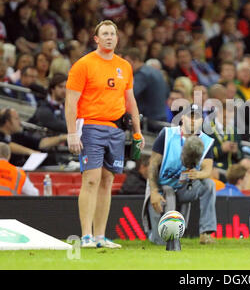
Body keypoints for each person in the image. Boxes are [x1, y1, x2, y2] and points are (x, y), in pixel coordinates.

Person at [65, 20, 144, 249]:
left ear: (117, 39)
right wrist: (72, 133)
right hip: (90, 125)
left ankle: (100, 236)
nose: (109, 37)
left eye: (112, 34)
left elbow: (130, 100)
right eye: (105, 34)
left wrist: (137, 131)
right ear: (96, 39)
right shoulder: (84, 64)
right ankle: (86, 236)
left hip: (116, 128)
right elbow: (71, 101)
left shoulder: (124, 66)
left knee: (107, 181)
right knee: (91, 179)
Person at [143, 103, 216, 245]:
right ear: (182, 118)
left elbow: (208, 170)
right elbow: (152, 165)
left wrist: (198, 175)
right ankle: (154, 235)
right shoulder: (167, 134)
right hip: (163, 186)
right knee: (162, 242)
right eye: (190, 117)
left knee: (209, 185)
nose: (194, 121)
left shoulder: (206, 141)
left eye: (198, 118)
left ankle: (206, 233)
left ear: (202, 121)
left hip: (184, 187)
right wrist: (154, 191)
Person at [0, 107, 67, 166]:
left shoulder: (18, 135)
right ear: (7, 122)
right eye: (16, 119)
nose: (20, 122)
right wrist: (31, 152)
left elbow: (41, 143)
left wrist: (62, 138)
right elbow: (6, 145)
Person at [123, 47, 169, 132]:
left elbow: (131, 94)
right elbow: (167, 93)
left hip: (149, 122)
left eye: (127, 62)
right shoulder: (156, 72)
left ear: (135, 60)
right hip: (161, 117)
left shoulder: (142, 74)